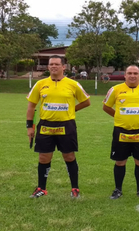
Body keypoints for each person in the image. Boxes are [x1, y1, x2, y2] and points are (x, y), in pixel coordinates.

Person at [26, 55, 91, 199]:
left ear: (63, 67)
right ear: (48, 67)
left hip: (66, 125)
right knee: (44, 157)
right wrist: (29, 127)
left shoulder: (72, 84)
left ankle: (75, 189)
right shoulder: (40, 84)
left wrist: (71, 109)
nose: (53, 66)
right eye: (51, 64)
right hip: (45, 126)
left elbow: (86, 101)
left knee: (69, 156)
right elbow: (31, 106)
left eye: (56, 64)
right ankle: (41, 188)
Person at [103, 65, 139, 200]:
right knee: (120, 162)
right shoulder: (115, 89)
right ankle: (118, 189)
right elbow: (106, 107)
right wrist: (119, 116)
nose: (132, 75)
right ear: (125, 75)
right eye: (129, 73)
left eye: (135, 73)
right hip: (121, 130)